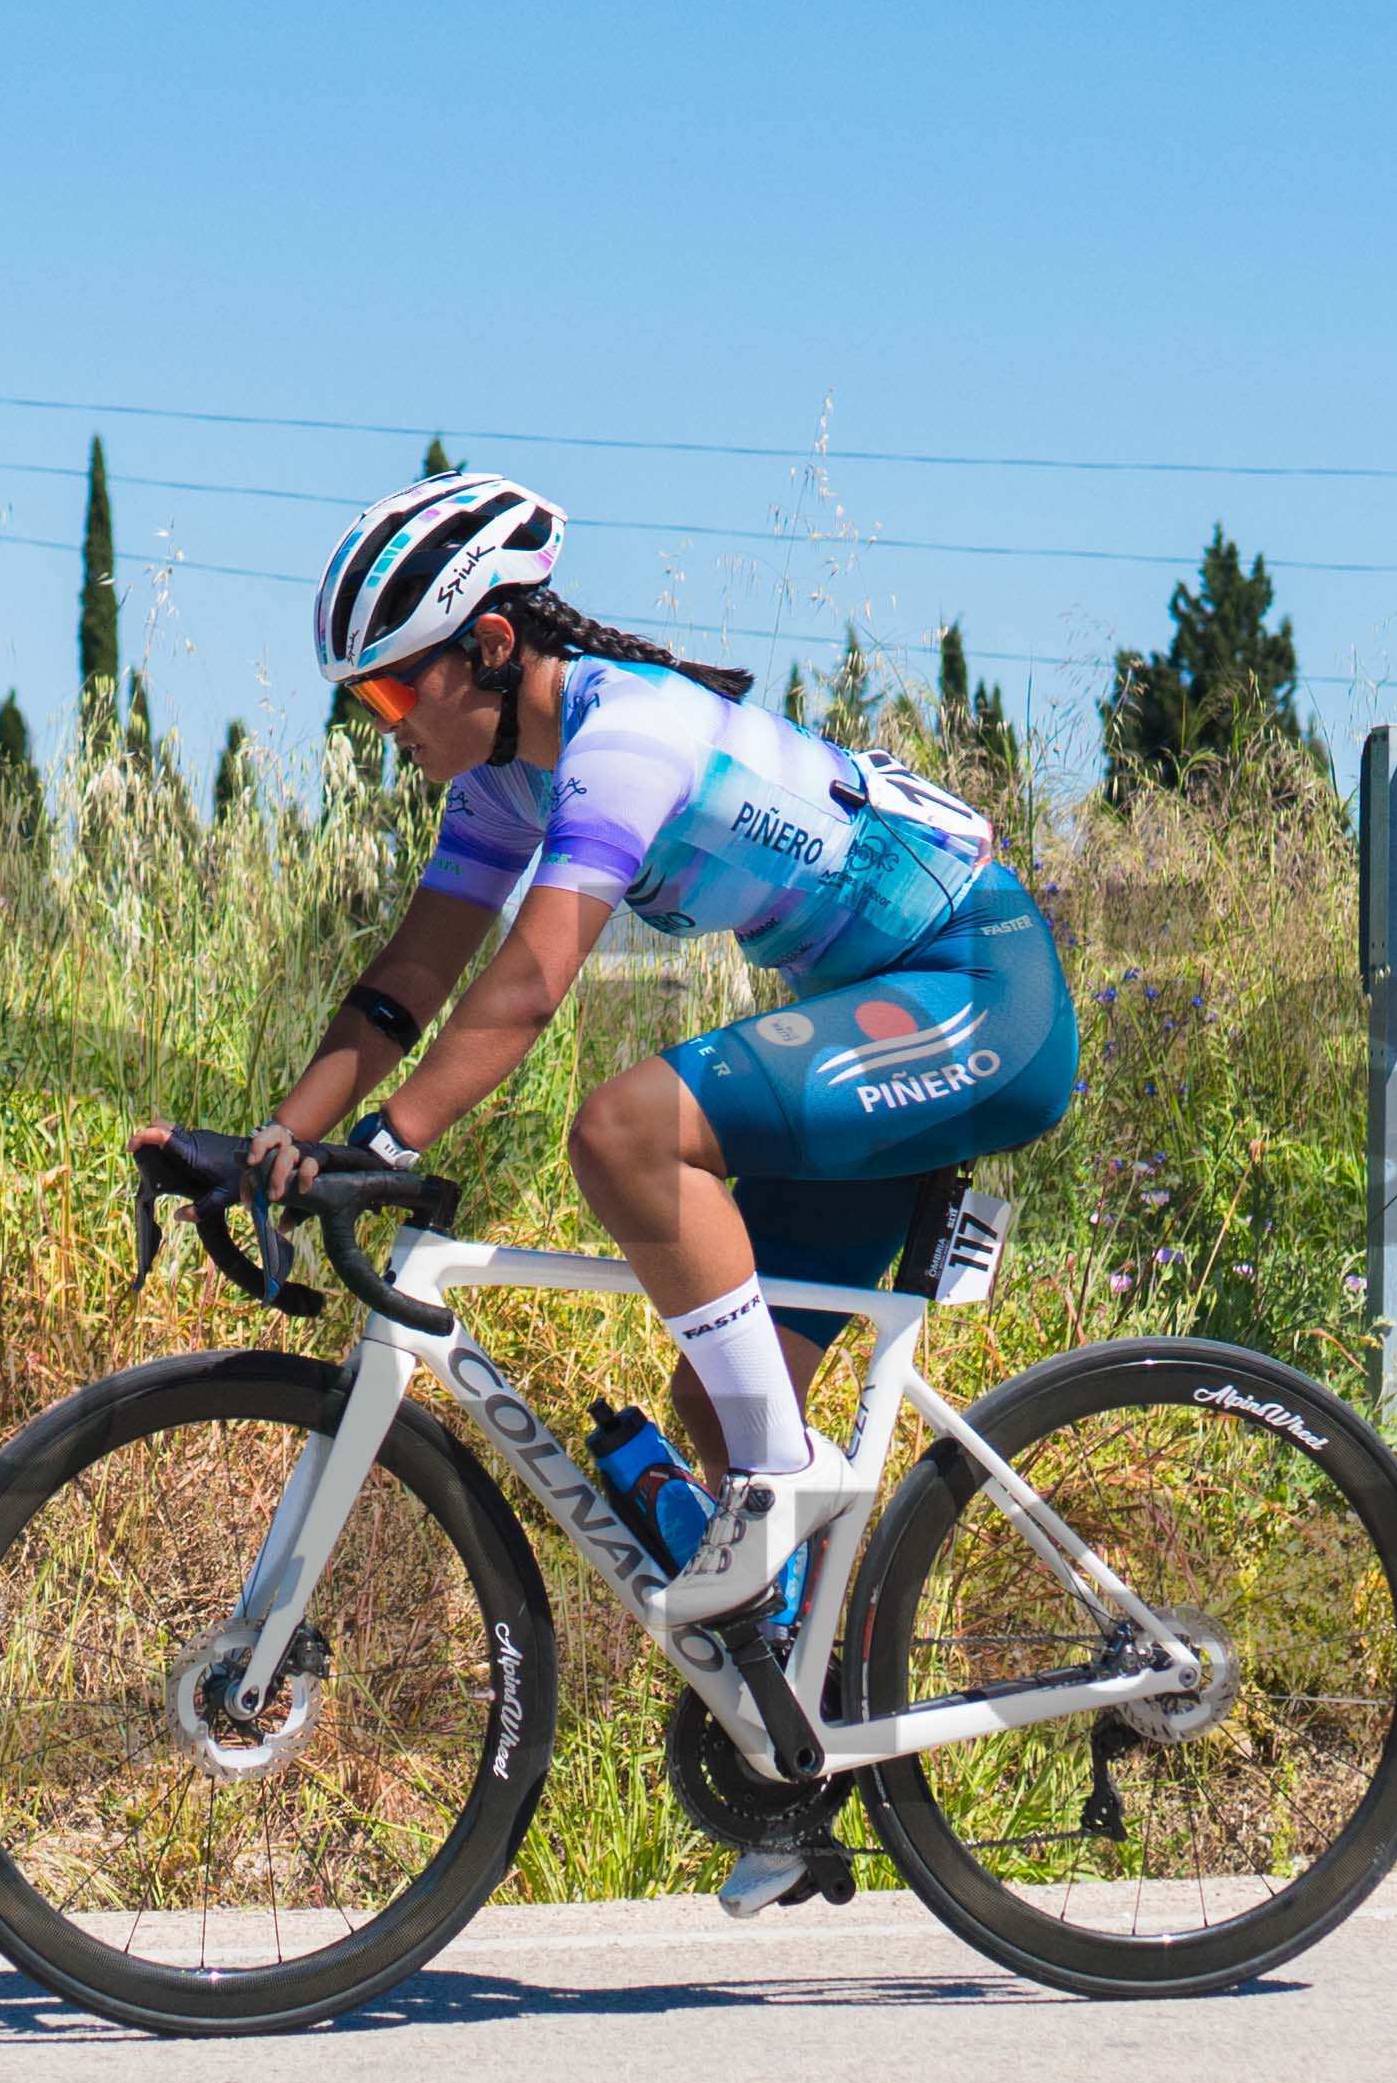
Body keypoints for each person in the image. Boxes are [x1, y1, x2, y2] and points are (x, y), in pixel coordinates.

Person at [254, 472, 1081, 1902]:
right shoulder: (506, 780)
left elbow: (524, 988)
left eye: (394, 703)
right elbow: (414, 972)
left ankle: (779, 1477)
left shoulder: (625, 737)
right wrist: (285, 1137)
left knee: (629, 1133)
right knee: (718, 1394)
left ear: (493, 646)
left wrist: (388, 1148)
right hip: (875, 1001)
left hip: (974, 992)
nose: (388, 738)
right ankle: (802, 1761)